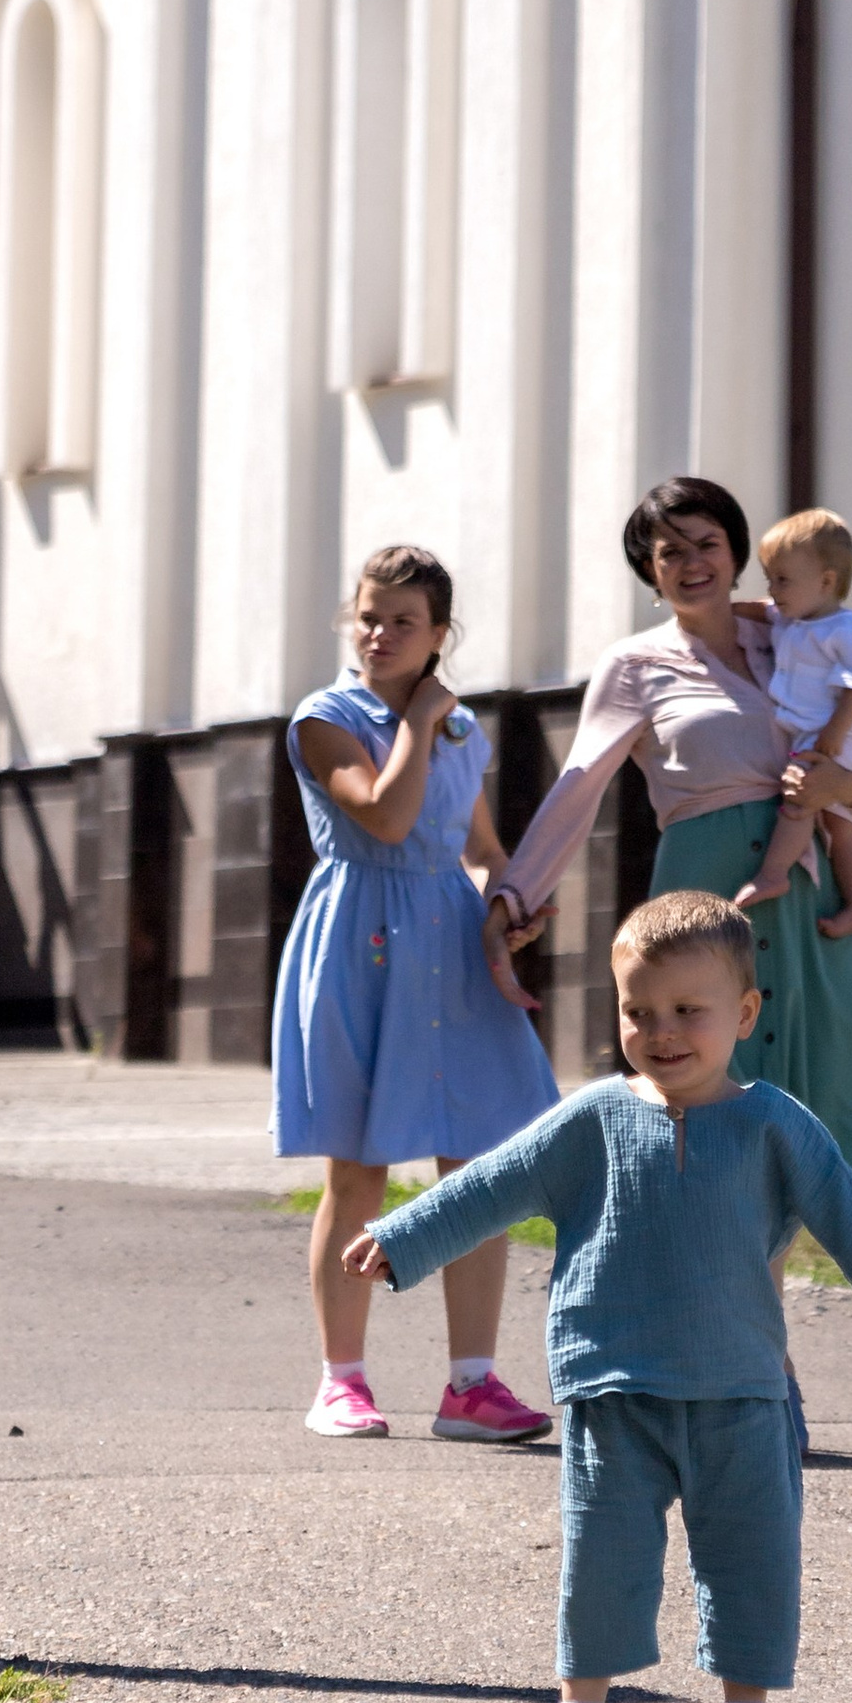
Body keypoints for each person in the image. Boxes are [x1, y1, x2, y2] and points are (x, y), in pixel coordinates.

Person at [349, 890, 852, 1703]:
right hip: (613, 1390)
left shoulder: (775, 1124)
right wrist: (404, 1237)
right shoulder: (592, 1119)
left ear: (744, 1014)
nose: (661, 1032)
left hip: (741, 1392)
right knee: (601, 1565)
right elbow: (493, 1183)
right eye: (638, 1012)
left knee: (752, 1564)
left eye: (687, 1010)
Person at [483, 475, 852, 1185]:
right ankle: (705, 1243)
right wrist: (515, 897)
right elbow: (577, 787)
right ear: (649, 572)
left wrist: (848, 789)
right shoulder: (632, 665)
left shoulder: (797, 636)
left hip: (806, 890)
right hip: (705, 891)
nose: (691, 562)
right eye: (669, 551)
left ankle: (794, 1246)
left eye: (706, 543)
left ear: (737, 553)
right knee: (708, 1079)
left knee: (844, 1067)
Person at [274, 544, 557, 1442]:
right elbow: (388, 817)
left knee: (477, 1165)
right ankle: (341, 1382)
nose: (380, 633)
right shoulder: (324, 719)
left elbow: (479, 847)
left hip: (451, 948)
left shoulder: (460, 727)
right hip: (360, 943)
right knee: (357, 1169)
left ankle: (471, 1385)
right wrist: (423, 720)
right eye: (368, 616)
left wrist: (509, 905)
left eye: (403, 620)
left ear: (439, 634)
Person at [732, 505, 852, 939]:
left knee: (799, 800)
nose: (772, 591)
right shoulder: (793, 619)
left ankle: (773, 873)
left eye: (782, 580)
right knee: (841, 833)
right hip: (831, 738)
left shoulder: (848, 632)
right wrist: (725, 608)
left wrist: (832, 736)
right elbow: (762, 610)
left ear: (826, 582)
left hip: (849, 738)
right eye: (769, 578)